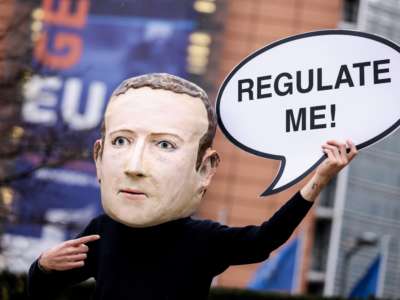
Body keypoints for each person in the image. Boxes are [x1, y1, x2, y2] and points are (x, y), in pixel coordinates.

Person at [28, 73, 358, 300]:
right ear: (98, 157)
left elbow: (265, 240)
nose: (134, 166)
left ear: (206, 169)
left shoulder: (201, 240)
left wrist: (320, 177)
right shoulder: (102, 231)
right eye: (122, 141)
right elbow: (42, 289)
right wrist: (42, 266)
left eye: (165, 146)